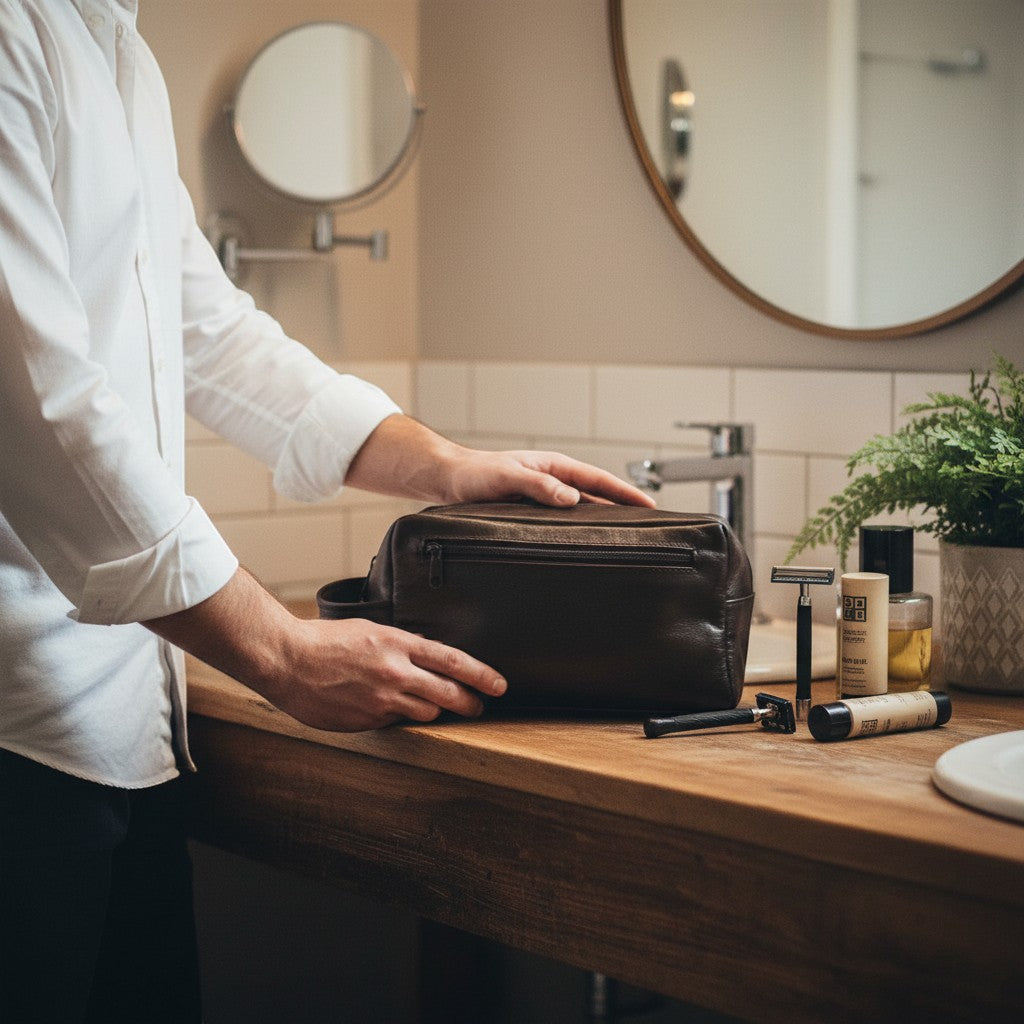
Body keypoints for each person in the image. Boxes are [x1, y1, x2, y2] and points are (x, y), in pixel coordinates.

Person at [0, 3, 653, 1022]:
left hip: (121, 719)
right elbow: (36, 407)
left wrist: (445, 464)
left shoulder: (114, 45)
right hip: (17, 735)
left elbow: (210, 333)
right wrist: (281, 652)